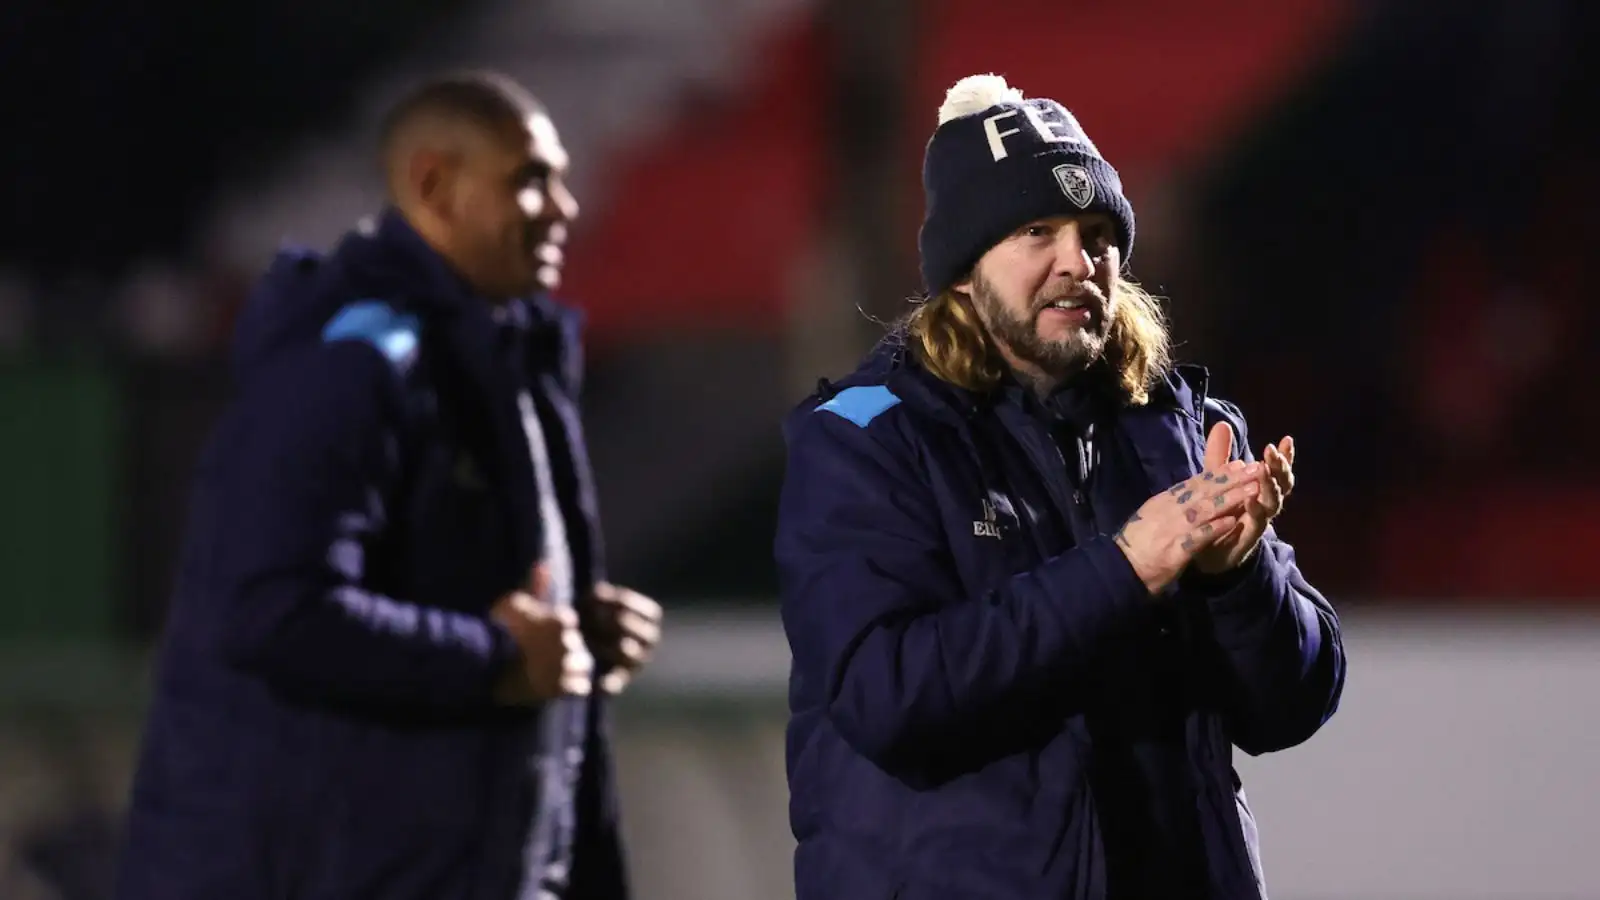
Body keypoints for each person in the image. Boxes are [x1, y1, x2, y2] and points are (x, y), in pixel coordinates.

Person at [775, 73, 1345, 900]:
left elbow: (1293, 707)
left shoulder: (1181, 426)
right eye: (1037, 230)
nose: (1079, 263)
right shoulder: (863, 432)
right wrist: (1123, 569)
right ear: (964, 270)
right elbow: (888, 697)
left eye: (1098, 234)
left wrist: (1237, 575)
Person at [115, 71, 662, 900]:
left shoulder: (498, 358)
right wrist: (496, 659)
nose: (564, 206)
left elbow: (454, 594)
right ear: (434, 187)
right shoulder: (356, 362)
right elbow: (273, 611)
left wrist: (574, 632)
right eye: (531, 180)